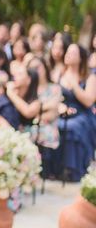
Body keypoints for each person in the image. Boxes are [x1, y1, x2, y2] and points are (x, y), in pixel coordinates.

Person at [50, 43, 96, 181]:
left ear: (81, 58)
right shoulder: (58, 74)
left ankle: (72, 170)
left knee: (73, 128)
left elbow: (89, 101)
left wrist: (74, 85)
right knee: (53, 125)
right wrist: (59, 107)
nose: (68, 55)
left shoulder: (90, 77)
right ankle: (54, 169)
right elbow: (51, 95)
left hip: (82, 115)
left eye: (73, 53)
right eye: (67, 52)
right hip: (61, 113)